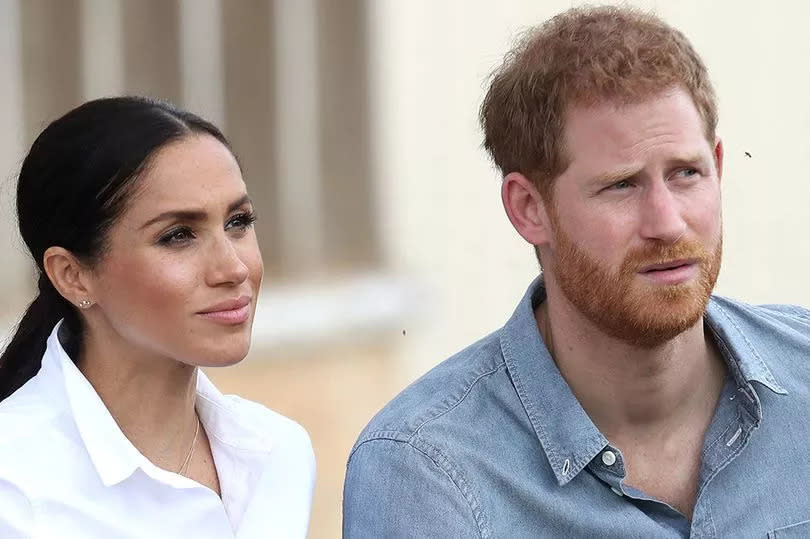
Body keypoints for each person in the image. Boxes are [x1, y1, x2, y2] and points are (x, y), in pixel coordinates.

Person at [343, 5, 810, 537]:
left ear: (719, 167)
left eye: (686, 174)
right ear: (528, 208)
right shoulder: (427, 471)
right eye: (621, 185)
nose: (667, 222)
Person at [0, 97, 315, 538]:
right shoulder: (13, 488)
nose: (234, 269)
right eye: (178, 235)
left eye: (238, 222)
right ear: (72, 276)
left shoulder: (277, 452)